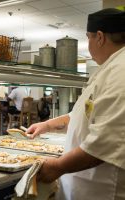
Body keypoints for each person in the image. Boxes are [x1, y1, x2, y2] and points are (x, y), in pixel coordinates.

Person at [26, 8, 125, 200]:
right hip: (86, 186)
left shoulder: (120, 72)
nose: (88, 44)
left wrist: (57, 166)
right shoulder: (110, 68)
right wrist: (47, 125)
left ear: (100, 37)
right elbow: (82, 114)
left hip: (103, 190)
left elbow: (105, 141)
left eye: (88, 38)